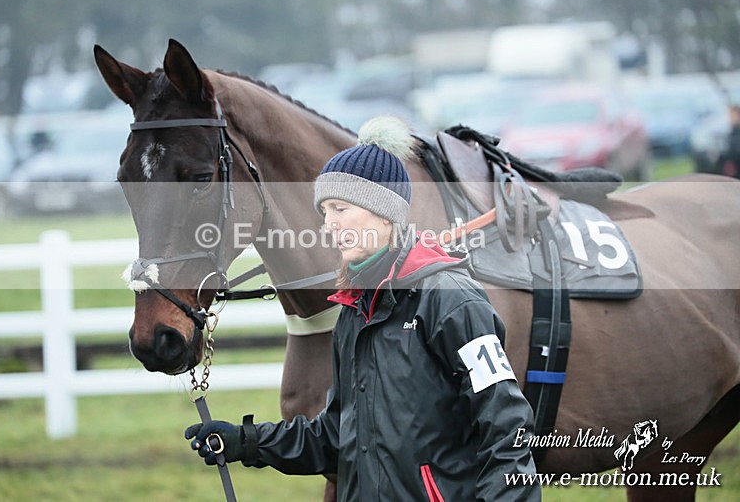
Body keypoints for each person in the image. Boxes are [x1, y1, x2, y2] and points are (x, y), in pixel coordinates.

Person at [185, 116, 540, 501]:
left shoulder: (451, 300)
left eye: (340, 208)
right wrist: (245, 442)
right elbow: (336, 436)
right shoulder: (355, 311)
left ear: (384, 213)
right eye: (325, 212)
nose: (329, 224)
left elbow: (506, 427)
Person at [719, 104, 740, 178]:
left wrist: (722, 156)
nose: (730, 118)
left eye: (733, 115)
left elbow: (735, 152)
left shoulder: (736, 133)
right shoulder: (732, 133)